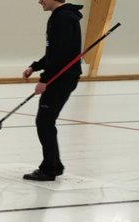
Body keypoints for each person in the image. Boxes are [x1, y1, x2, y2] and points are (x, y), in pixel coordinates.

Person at [21, 0, 83, 182]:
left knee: (45, 121)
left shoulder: (62, 18)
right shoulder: (61, 16)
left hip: (61, 77)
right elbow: (54, 50)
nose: (39, 1)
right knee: (45, 121)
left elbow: (60, 54)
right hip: (61, 75)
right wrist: (36, 66)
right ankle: (53, 165)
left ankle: (50, 168)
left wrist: (45, 80)